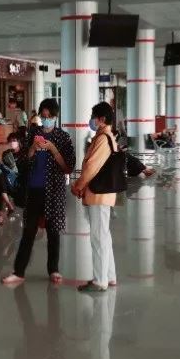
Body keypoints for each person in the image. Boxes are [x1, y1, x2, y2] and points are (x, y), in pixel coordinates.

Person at [2, 98, 74, 285]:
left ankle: (53, 270)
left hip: (54, 191)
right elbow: (22, 162)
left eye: (49, 117)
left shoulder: (63, 138)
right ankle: (18, 271)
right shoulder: (33, 134)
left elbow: (68, 167)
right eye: (43, 117)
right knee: (28, 231)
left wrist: (53, 150)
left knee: (53, 231)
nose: (45, 120)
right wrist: (33, 148)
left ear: (55, 117)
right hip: (34, 190)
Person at [72, 102, 119, 293]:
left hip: (99, 194)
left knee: (98, 238)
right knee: (104, 237)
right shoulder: (106, 136)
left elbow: (91, 166)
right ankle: (109, 276)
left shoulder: (102, 138)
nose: (91, 120)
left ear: (102, 119)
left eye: (93, 117)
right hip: (102, 194)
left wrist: (78, 185)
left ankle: (100, 280)